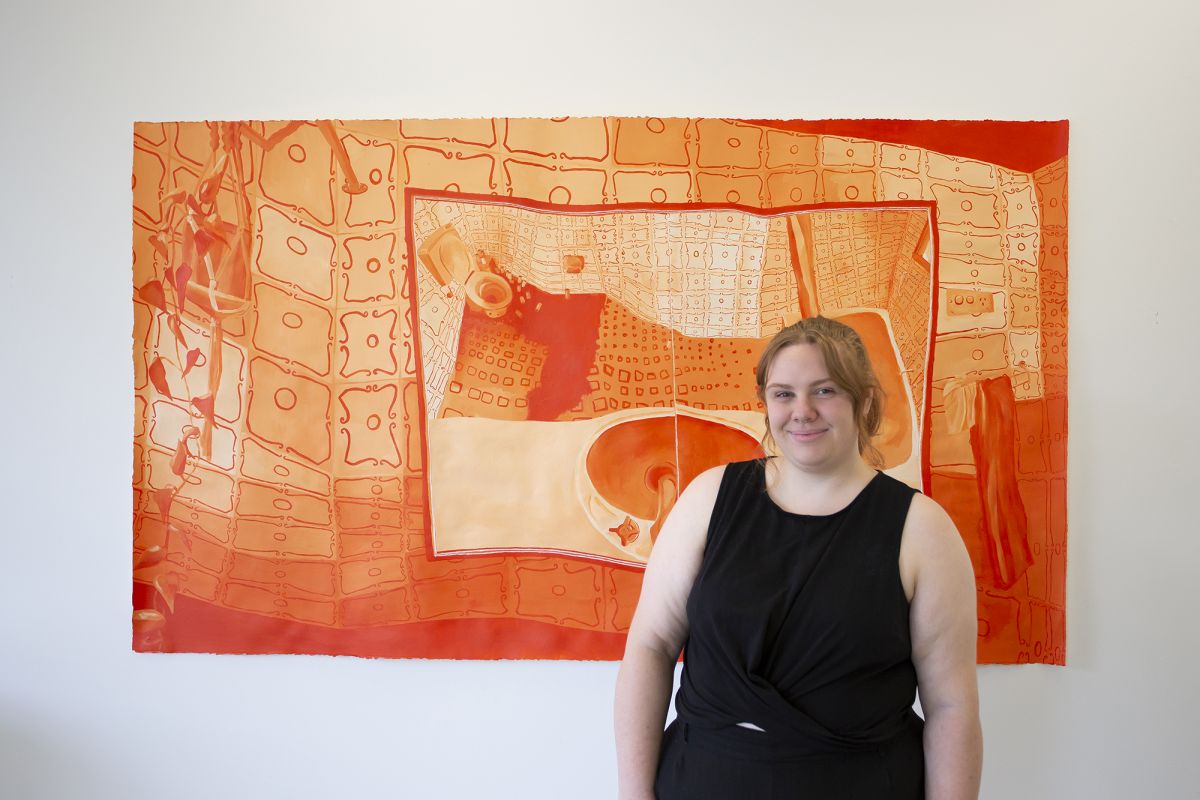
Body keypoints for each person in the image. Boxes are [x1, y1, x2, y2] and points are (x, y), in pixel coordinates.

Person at [614, 316, 982, 799]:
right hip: (702, 780)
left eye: (825, 390)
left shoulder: (922, 529)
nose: (802, 411)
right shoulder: (709, 499)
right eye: (783, 393)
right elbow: (651, 647)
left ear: (865, 400)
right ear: (766, 403)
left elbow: (952, 707)